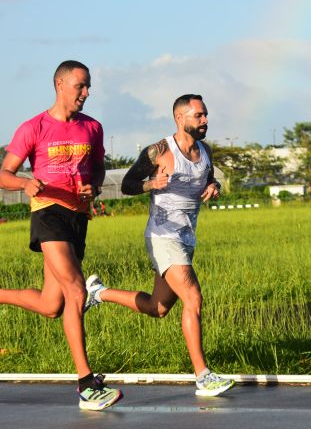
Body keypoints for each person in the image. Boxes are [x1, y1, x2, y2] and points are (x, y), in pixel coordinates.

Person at [0, 60, 122, 411]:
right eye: (80, 85)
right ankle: (86, 383)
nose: (87, 92)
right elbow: (4, 175)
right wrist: (25, 182)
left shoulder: (92, 127)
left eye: (89, 86)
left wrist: (93, 186)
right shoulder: (33, 128)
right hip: (47, 213)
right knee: (76, 289)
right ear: (59, 84)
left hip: (78, 217)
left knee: (53, 306)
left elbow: (98, 167)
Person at [84, 94, 235, 397]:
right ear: (180, 118)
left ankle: (98, 293)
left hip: (187, 236)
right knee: (193, 297)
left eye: (205, 115)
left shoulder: (205, 151)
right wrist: (152, 184)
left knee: (159, 307)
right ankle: (203, 376)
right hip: (163, 236)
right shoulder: (159, 151)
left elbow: (208, 177)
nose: (205, 121)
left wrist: (213, 186)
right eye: (198, 116)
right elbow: (127, 185)